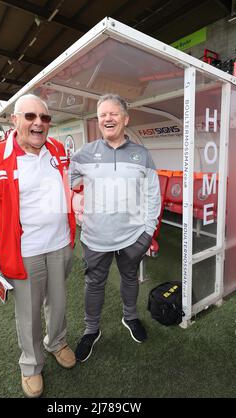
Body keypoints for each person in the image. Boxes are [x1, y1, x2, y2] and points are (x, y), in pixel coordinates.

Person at [0, 94, 76, 398]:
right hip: (23, 252)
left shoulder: (56, 149)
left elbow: (71, 186)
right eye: (30, 116)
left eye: (44, 118)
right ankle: (31, 365)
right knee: (28, 312)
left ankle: (56, 342)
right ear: (14, 120)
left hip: (60, 244)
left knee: (58, 302)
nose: (38, 123)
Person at [70, 93, 161, 362]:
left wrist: (147, 232)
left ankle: (130, 318)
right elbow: (66, 182)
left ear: (125, 119)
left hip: (133, 237)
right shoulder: (84, 153)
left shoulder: (141, 155)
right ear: (98, 121)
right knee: (94, 283)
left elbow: (152, 195)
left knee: (130, 278)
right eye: (102, 115)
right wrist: (77, 204)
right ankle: (91, 329)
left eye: (113, 114)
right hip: (95, 237)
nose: (107, 119)